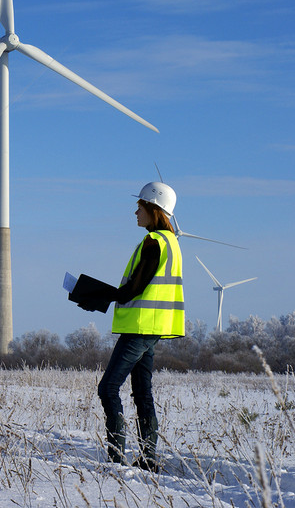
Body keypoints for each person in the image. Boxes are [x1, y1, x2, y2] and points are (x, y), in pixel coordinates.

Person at [79, 182, 185, 472]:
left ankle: (116, 457)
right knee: (142, 392)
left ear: (154, 209)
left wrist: (91, 294)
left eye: (140, 206)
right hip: (155, 329)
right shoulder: (172, 243)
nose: (135, 211)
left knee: (108, 388)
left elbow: (132, 290)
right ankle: (148, 459)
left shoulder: (154, 242)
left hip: (140, 328)